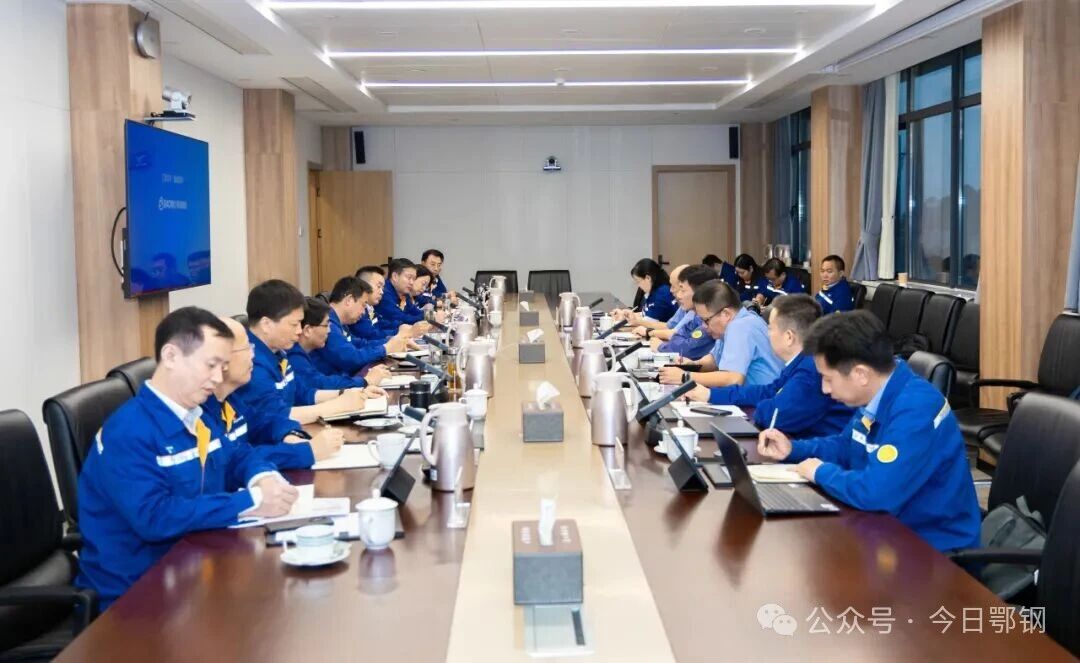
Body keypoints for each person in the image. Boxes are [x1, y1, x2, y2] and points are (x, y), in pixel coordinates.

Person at [76, 307, 299, 608]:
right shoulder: (128, 432)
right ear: (171, 356)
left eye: (223, 366)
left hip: (194, 570)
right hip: (135, 596)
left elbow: (236, 456)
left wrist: (263, 477)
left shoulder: (195, 415)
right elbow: (155, 517)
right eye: (211, 365)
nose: (218, 377)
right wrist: (251, 501)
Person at [757, 311, 981, 552]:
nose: (824, 389)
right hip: (886, 528)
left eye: (828, 378)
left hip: (933, 548)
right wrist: (793, 449)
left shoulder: (916, 408)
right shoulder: (879, 392)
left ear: (861, 374)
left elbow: (877, 492)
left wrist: (820, 472)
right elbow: (846, 446)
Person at [686, 294, 853, 437]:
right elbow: (767, 391)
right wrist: (710, 394)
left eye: (771, 328)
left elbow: (775, 416)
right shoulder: (800, 361)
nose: (767, 333)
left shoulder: (811, 369)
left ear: (789, 337)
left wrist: (768, 404)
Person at [206, 316, 345, 471]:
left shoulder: (231, 400)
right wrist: (305, 451)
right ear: (222, 359)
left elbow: (263, 422)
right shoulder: (201, 414)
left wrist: (289, 434)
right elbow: (233, 461)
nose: (253, 355)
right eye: (246, 348)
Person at [236, 279, 375, 425]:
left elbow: (302, 393)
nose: (299, 331)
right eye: (294, 324)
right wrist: (337, 406)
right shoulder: (251, 362)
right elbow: (275, 415)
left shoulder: (279, 352)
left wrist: (345, 393)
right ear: (266, 324)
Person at [659, 280, 783, 387]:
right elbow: (714, 360)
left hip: (762, 402)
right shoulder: (730, 325)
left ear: (725, 314)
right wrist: (693, 365)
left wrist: (685, 376)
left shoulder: (741, 326)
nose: (703, 326)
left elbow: (733, 379)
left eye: (706, 320)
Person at [289, 296, 391, 392]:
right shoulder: (294, 357)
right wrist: (365, 381)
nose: (329, 331)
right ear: (308, 330)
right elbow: (322, 383)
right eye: (326, 325)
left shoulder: (309, 350)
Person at [311, 276, 407, 378]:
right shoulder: (327, 324)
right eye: (363, 305)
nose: (363, 312)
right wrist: (385, 349)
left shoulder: (340, 322)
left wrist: (391, 341)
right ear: (349, 300)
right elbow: (350, 358)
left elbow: (357, 343)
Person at [642, 265, 718, 361]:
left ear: (700, 292)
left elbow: (686, 349)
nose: (678, 295)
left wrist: (661, 347)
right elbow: (677, 335)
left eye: (682, 290)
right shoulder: (696, 317)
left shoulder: (711, 319)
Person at [375, 258, 436, 336]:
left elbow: (414, 311)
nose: (412, 282)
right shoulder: (384, 293)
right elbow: (402, 319)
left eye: (414, 279)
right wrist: (431, 317)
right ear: (395, 276)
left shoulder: (403, 292)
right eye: (409, 277)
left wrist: (431, 315)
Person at [616, 258, 676, 323]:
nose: (638, 286)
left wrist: (629, 320)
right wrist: (626, 315)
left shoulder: (662, 295)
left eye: (638, 281)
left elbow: (649, 322)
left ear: (648, 278)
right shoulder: (655, 291)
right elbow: (645, 314)